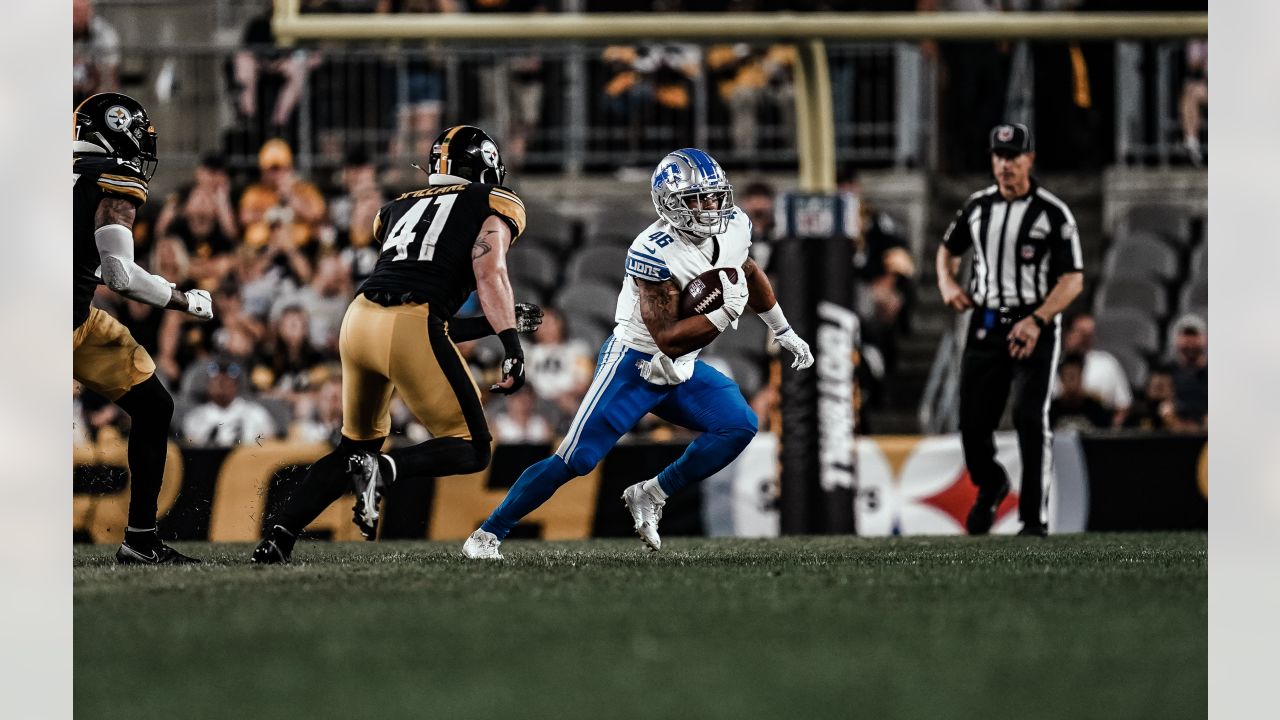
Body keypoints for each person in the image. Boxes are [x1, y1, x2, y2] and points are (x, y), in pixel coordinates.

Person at [462, 148, 814, 560]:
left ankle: (652, 493)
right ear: (668, 203)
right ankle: (487, 534)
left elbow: (747, 271)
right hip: (635, 363)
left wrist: (782, 329)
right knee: (575, 460)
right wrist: (725, 313)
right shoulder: (653, 250)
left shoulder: (734, 224)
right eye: (696, 199)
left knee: (738, 425)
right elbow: (667, 338)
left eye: (715, 196)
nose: (711, 207)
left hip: (681, 366)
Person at [251, 126, 544, 564]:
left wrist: (491, 324)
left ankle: (278, 536)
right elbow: (489, 274)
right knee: (472, 446)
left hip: (360, 319)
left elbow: (431, 323)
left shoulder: (395, 208)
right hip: (410, 321)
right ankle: (384, 470)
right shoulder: (492, 202)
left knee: (354, 446)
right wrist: (511, 346)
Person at [73, 93, 214, 564]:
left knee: (153, 405)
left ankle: (140, 539)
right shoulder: (110, 179)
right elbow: (119, 275)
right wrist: (184, 298)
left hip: (68, 317)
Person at [935, 123, 1084, 537]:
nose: (1005, 165)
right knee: (971, 424)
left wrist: (1037, 320)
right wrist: (948, 284)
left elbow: (1073, 279)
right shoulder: (978, 207)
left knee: (1029, 416)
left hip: (1034, 325)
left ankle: (1033, 520)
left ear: (1029, 160)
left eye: (1014, 157)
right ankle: (992, 483)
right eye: (999, 157)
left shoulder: (1053, 213)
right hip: (986, 322)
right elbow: (948, 248)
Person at [181, 357, 279, 447]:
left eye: (226, 380)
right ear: (208, 385)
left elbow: (271, 445)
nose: (221, 384)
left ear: (236, 385)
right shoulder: (195, 418)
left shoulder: (256, 413)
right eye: (217, 380)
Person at [1058, 312, 1131, 426]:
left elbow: (1123, 404)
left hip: (1099, 430)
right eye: (1082, 333)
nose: (1086, 338)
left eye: (1090, 334)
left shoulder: (1107, 363)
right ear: (1068, 333)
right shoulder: (1053, 363)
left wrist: (1112, 432)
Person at [1165, 313, 1208, 431]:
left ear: (1205, 339)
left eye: (1194, 336)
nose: (1190, 342)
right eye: (1185, 336)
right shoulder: (1166, 373)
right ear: (1176, 340)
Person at [1049, 354, 1111, 431]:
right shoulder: (1050, 411)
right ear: (1061, 379)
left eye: (1073, 377)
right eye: (1066, 376)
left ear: (1081, 376)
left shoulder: (1096, 409)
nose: (1070, 382)